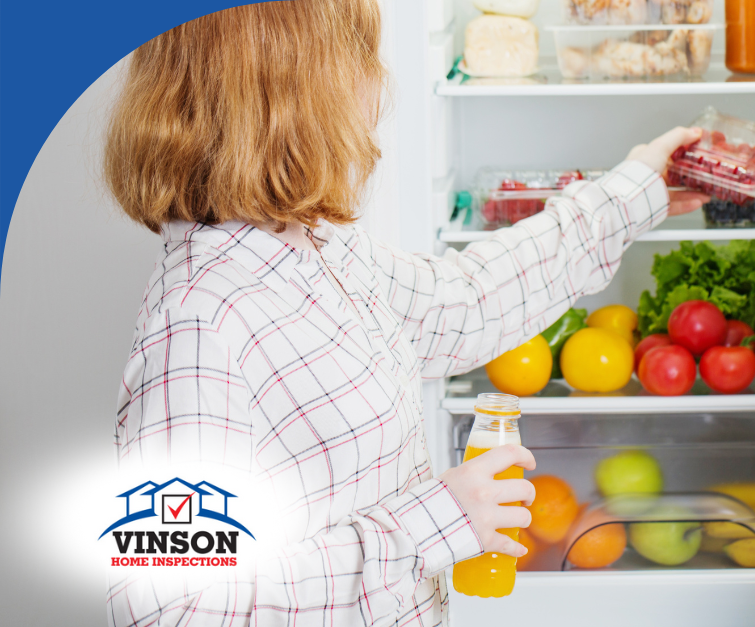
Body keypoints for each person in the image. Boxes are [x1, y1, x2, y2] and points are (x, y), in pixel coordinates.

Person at [102, 1, 707, 625]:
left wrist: (638, 187)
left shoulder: (312, 246)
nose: (380, 82)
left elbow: (465, 301)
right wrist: (434, 521)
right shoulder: (200, 322)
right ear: (297, 87)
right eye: (360, 56)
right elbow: (173, 609)